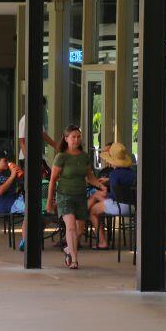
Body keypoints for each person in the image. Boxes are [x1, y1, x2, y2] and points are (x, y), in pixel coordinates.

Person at [47, 125, 104, 270]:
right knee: (71, 227)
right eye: (73, 137)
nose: (76, 140)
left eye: (78, 137)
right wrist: (49, 201)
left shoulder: (84, 156)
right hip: (64, 196)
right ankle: (74, 260)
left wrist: (101, 186)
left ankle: (68, 250)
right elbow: (53, 180)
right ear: (66, 139)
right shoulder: (61, 157)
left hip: (80, 196)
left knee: (79, 231)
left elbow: (90, 177)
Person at [92, 142, 135, 249]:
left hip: (121, 206)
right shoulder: (133, 173)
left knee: (93, 210)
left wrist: (106, 194)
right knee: (97, 196)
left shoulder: (114, 174)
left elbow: (115, 195)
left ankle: (102, 242)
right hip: (134, 207)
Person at [0, 149, 28, 250]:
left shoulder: (8, 172)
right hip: (8, 204)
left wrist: (20, 175)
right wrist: (12, 176)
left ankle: (32, 237)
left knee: (43, 209)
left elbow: (23, 185)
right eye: (5, 161)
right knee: (31, 209)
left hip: (18, 199)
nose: (7, 163)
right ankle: (26, 240)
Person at [18, 95, 58, 167]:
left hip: (36, 156)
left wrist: (56, 146)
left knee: (46, 174)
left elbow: (43, 135)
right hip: (26, 157)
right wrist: (27, 159)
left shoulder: (37, 119)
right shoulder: (25, 119)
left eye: (42, 107)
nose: (40, 109)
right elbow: (22, 141)